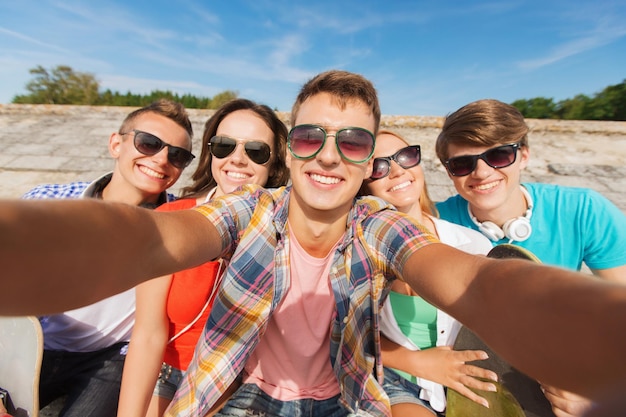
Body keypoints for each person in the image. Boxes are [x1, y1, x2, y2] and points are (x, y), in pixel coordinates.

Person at [1, 71, 626, 417]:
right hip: (238, 391)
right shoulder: (247, 213)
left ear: (367, 159)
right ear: (290, 147)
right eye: (310, 137)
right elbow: (151, 238)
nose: (329, 155)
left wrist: (595, 333)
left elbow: (471, 281)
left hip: (348, 399)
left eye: (353, 142)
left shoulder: (379, 226)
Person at [434, 98, 626, 416]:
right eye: (463, 163)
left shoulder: (584, 210)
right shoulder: (434, 224)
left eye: (498, 155)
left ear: (523, 155)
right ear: (450, 173)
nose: (481, 173)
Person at [21, 99, 194, 417]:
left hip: (109, 360)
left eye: (177, 155)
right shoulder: (47, 201)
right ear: (116, 143)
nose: (160, 159)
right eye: (149, 143)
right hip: (32, 343)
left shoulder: (177, 228)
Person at [117, 98, 289, 417]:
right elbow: (148, 334)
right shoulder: (171, 220)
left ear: (274, 163)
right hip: (169, 375)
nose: (237, 160)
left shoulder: (287, 236)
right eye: (224, 146)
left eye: (256, 151)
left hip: (242, 383)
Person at [360, 130, 495, 416]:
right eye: (379, 167)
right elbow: (349, 337)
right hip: (396, 380)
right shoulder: (358, 252)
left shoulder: (471, 244)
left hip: (467, 380)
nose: (397, 171)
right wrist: (418, 363)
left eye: (406, 157)